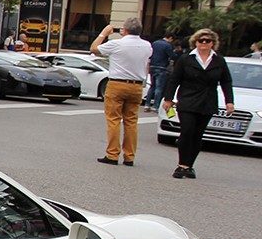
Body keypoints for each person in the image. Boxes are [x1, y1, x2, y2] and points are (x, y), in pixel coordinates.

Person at [162, 28, 236, 179]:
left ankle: (189, 166)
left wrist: (230, 102)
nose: (203, 43)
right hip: (187, 99)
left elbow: (226, 81)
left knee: (197, 135)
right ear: (195, 42)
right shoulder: (186, 59)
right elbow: (174, 79)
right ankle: (181, 164)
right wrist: (168, 99)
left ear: (212, 44)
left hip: (207, 101)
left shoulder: (219, 61)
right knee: (187, 131)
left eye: (207, 41)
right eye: (200, 40)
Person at [91, 17, 152, 167]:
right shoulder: (147, 45)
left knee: (114, 119)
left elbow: (94, 49)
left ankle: (112, 153)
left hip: (117, 83)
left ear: (124, 30)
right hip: (137, 85)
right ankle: (129, 156)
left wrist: (103, 34)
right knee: (131, 122)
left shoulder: (117, 44)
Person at [144, 32, 174, 110]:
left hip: (152, 66)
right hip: (161, 67)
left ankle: (147, 104)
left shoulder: (155, 43)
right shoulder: (168, 45)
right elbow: (172, 56)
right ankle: (155, 105)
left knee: (152, 86)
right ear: (170, 38)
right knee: (159, 87)